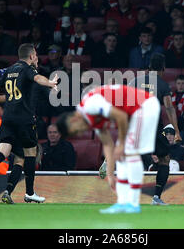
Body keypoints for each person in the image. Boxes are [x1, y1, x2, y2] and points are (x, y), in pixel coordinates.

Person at [0, 43, 58, 204]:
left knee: (2, 152)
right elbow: (37, 78)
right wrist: (50, 83)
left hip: (7, 118)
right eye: (35, 54)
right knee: (30, 154)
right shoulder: (28, 69)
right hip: (24, 119)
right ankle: (29, 193)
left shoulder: (10, 70)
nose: (36, 57)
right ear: (30, 56)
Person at [56, 84, 161, 214]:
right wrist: (110, 174)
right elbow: (107, 144)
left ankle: (133, 204)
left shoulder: (90, 105)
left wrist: (121, 143)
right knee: (122, 155)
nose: (81, 133)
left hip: (145, 106)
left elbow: (121, 116)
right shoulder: (89, 116)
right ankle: (122, 203)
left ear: (73, 119)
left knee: (130, 153)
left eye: (77, 130)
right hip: (134, 111)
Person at [127, 53, 181, 205]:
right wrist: (176, 131)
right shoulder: (163, 85)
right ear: (163, 68)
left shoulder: (134, 81)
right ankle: (156, 197)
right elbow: (169, 108)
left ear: (149, 67)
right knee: (164, 160)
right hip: (152, 128)